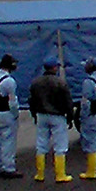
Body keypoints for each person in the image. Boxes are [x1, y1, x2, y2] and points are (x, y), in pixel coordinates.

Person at [29, 54, 74, 184]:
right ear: (55, 67)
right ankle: (60, 175)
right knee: (60, 145)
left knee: (41, 144)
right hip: (57, 116)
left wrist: (34, 115)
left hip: (41, 115)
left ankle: (40, 174)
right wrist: (70, 117)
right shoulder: (61, 83)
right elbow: (68, 102)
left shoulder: (36, 83)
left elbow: (31, 101)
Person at [0, 53, 21, 179]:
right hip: (7, 113)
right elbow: (13, 102)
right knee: (9, 142)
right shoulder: (9, 82)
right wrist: (16, 114)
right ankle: (9, 168)